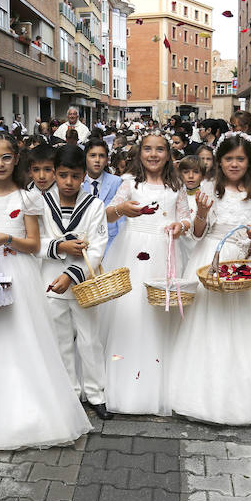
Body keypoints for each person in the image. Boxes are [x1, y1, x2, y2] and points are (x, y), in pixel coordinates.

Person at [0, 132, 90, 450]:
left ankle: (31, 409)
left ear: (16, 159)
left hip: (17, 272)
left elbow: (34, 244)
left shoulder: (27, 198)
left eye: (5, 157)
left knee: (22, 337)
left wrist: (8, 240)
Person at [169, 132, 251, 425]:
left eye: (240, 159)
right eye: (228, 158)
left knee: (244, 329)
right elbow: (198, 232)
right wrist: (201, 213)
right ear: (219, 161)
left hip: (247, 264)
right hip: (211, 260)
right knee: (210, 325)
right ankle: (204, 393)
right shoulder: (208, 188)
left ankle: (243, 392)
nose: (234, 164)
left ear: (249, 161)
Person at [101, 132, 189, 416]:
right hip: (132, 251)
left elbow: (185, 216)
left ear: (168, 154)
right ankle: (124, 382)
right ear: (140, 153)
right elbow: (108, 214)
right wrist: (121, 209)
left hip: (164, 252)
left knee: (159, 315)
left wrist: (181, 226)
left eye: (160, 149)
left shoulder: (177, 186)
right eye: (148, 149)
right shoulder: (130, 183)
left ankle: (159, 382)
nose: (153, 154)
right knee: (130, 311)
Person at [40, 145, 111, 420]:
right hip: (49, 282)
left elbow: (97, 246)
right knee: (60, 340)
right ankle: (70, 392)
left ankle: (96, 394)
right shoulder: (41, 203)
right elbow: (35, 242)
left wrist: (70, 274)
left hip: (82, 284)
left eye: (75, 175)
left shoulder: (95, 205)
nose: (68, 182)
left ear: (84, 176)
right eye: (63, 175)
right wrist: (61, 245)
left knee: (90, 339)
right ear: (55, 174)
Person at [82, 139, 123, 251]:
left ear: (107, 160)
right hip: (84, 243)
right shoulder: (78, 183)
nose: (97, 160)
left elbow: (121, 218)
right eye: (92, 155)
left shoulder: (116, 182)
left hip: (110, 242)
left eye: (101, 156)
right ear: (85, 158)